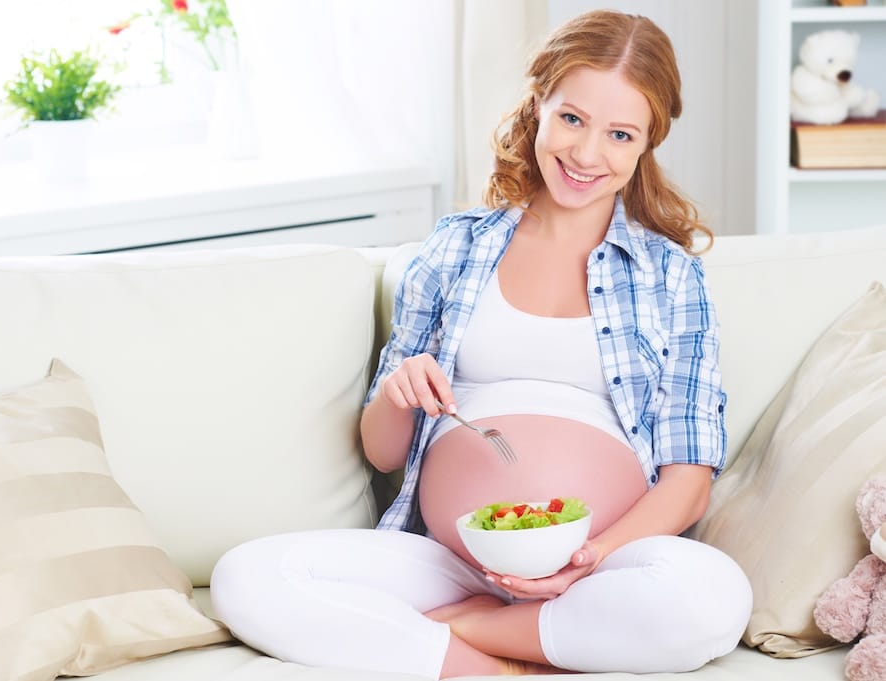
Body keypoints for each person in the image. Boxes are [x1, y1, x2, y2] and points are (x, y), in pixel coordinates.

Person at [211, 9, 752, 678]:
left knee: (713, 598)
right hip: (447, 558)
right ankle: (490, 663)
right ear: (539, 105)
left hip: (597, 567)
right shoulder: (455, 247)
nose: (586, 155)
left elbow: (688, 484)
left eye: (619, 134)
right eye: (572, 119)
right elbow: (382, 449)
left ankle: (463, 630)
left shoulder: (671, 277)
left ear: (646, 144)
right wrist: (400, 387)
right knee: (248, 576)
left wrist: (584, 559)